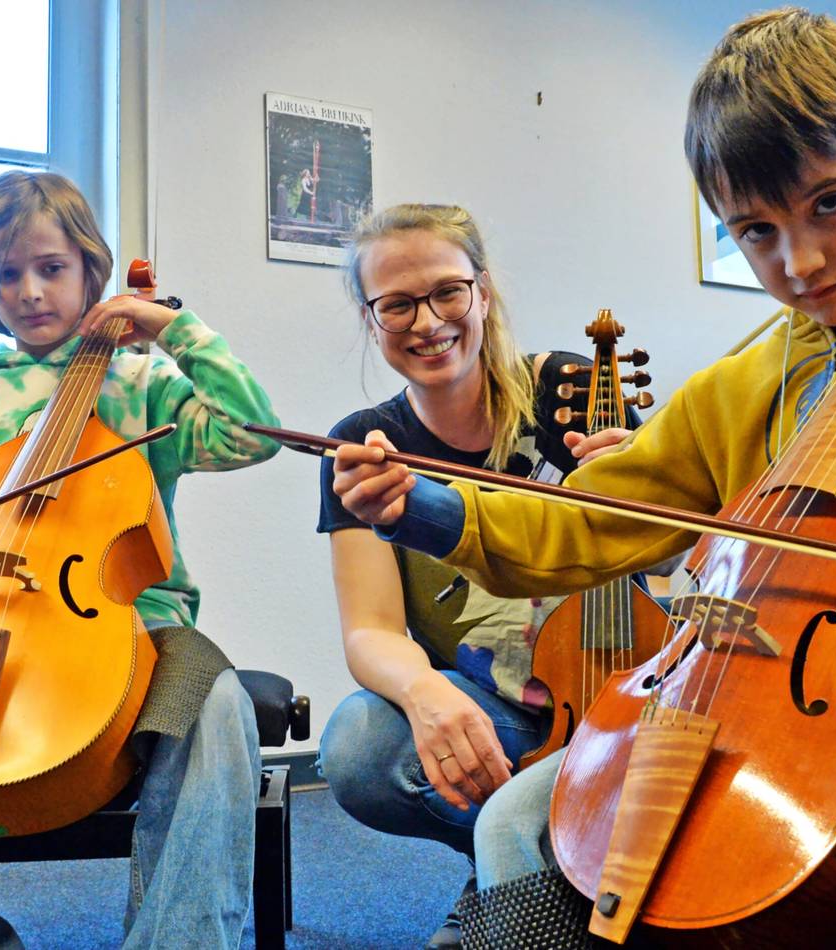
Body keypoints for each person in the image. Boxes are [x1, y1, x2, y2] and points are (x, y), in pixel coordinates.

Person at [331, 8, 836, 948]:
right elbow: (588, 521)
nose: (802, 263)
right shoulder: (758, 376)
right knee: (521, 850)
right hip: (763, 704)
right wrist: (424, 503)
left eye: (833, 202)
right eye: (754, 231)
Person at [0, 170, 281, 949]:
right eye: (6, 274)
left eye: (50, 268)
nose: (28, 291)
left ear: (91, 269)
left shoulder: (143, 382)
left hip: (137, 629)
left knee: (215, 704)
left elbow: (252, 435)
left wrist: (175, 333)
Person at [317, 202, 640, 947]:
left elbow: (665, 561)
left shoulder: (570, 389)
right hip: (494, 697)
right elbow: (369, 628)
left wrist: (633, 491)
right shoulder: (363, 443)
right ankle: (537, 865)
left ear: (483, 294)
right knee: (360, 746)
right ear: (373, 321)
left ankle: (505, 895)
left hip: (612, 680)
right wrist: (426, 693)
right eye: (396, 304)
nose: (427, 322)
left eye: (447, 292)